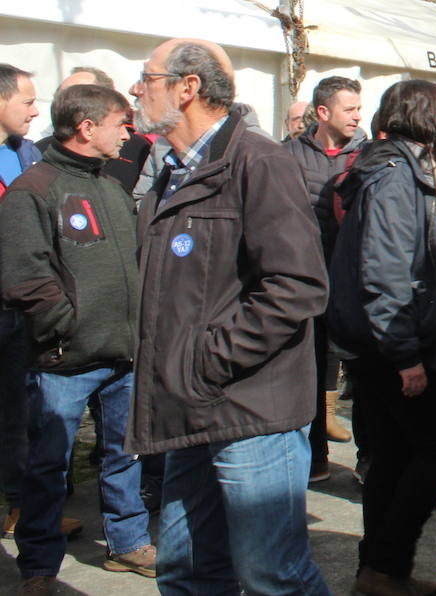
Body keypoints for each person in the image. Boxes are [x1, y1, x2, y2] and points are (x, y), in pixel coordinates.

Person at [126, 38, 329, 594]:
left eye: (146, 78)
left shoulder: (260, 162)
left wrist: (209, 361)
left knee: (271, 574)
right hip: (188, 408)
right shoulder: (170, 169)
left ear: (188, 87)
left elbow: (298, 286)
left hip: (249, 409)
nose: (136, 91)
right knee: (187, 572)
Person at [0, 85, 156, 593]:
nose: (127, 132)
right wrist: (64, 326)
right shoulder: (34, 190)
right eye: (119, 123)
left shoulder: (110, 186)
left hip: (122, 353)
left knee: (124, 454)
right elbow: (24, 276)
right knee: (48, 466)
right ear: (87, 128)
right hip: (63, 360)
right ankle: (39, 567)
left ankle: (128, 543)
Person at [327, 80, 436, 596]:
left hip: (384, 340)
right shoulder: (393, 176)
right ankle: (385, 565)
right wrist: (406, 355)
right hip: (393, 344)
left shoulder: (396, 167)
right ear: (431, 119)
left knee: (393, 456)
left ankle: (381, 570)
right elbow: (385, 271)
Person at [286, 75, 367, 475]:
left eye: (358, 107)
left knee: (362, 373)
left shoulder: (368, 155)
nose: (357, 116)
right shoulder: (288, 156)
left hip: (355, 282)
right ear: (323, 112)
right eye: (349, 109)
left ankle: (369, 463)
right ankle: (314, 457)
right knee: (310, 370)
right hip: (307, 279)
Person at [1, 64, 43, 533]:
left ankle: (20, 506)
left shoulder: (28, 154)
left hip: (19, 306)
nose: (36, 111)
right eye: (28, 102)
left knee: (19, 411)